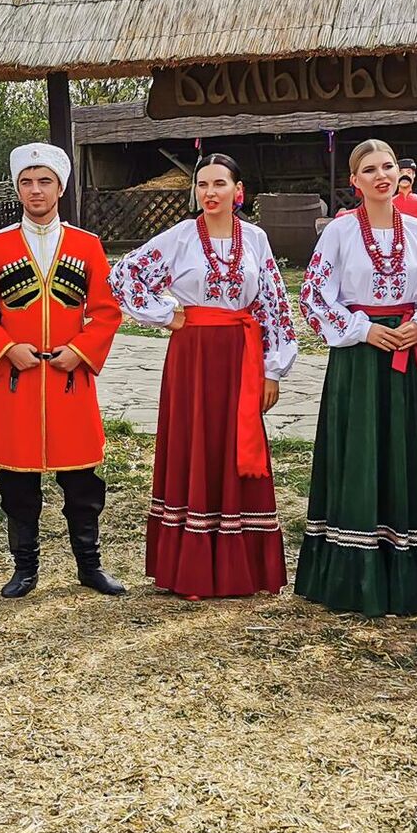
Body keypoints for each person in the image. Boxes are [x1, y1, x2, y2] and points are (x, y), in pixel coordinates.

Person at [111, 153, 298, 599]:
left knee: (234, 445)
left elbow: (273, 303)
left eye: (219, 184)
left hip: (240, 356)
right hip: (192, 356)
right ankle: (191, 569)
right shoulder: (179, 237)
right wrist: (165, 314)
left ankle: (242, 567)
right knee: (195, 443)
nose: (210, 193)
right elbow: (124, 276)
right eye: (202, 185)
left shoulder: (255, 239)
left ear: (239, 191)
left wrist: (273, 369)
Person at [295, 141, 417, 616]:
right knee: (361, 453)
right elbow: (313, 297)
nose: (381, 175)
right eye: (370, 170)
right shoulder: (339, 233)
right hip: (359, 363)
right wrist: (362, 331)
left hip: (407, 357)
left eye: (388, 167)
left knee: (405, 451)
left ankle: (413, 570)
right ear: (355, 182)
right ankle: (353, 575)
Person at [0, 143, 125, 598]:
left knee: (83, 481)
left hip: (70, 381)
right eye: (27, 182)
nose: (36, 190)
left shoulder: (86, 245)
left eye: (45, 181)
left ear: (60, 186)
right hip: (17, 381)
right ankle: (25, 568)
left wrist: (82, 349)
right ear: (17, 188)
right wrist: (7, 348)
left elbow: (107, 312)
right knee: (17, 481)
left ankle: (89, 566)